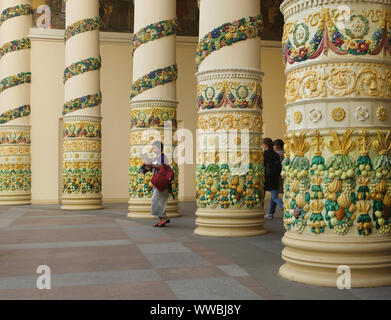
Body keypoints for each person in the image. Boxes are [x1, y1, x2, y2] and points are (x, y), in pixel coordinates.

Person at [142, 141, 171, 227]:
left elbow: (162, 166)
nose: (153, 150)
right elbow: (155, 169)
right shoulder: (156, 158)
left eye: (154, 148)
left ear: (159, 148)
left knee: (155, 200)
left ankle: (163, 217)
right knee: (159, 201)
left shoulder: (163, 157)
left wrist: (151, 164)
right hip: (157, 182)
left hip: (162, 183)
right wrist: (147, 167)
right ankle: (162, 218)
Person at [263, 138, 284, 220]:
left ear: (265, 145)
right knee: (274, 196)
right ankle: (270, 213)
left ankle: (284, 210)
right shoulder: (276, 155)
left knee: (263, 196)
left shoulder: (265, 154)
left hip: (267, 178)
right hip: (275, 177)